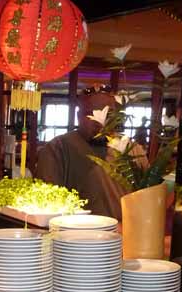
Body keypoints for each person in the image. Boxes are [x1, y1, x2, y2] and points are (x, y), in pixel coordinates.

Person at [36, 89, 126, 219]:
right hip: (78, 235)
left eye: (108, 114)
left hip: (128, 234)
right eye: (91, 114)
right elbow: (47, 204)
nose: (99, 121)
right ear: (78, 116)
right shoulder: (58, 148)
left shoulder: (130, 150)